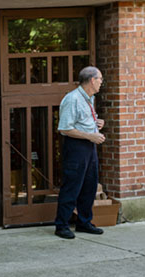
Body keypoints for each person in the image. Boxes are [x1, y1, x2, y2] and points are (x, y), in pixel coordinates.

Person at [54, 66, 106, 239]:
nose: (101, 83)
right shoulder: (73, 99)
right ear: (92, 80)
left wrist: (95, 123)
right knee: (72, 185)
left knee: (89, 186)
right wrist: (90, 135)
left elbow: (80, 121)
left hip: (89, 147)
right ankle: (62, 225)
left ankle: (84, 222)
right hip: (76, 147)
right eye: (100, 79)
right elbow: (64, 128)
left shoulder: (88, 99)